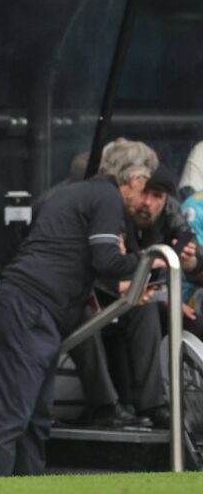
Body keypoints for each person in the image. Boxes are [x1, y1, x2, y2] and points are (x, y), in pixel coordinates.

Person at [0, 138, 158, 477]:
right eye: (145, 187)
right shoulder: (107, 197)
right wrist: (147, 262)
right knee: (14, 421)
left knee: (32, 420)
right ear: (135, 180)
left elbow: (59, 251)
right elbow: (105, 260)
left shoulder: (68, 192)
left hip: (29, 306)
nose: (145, 198)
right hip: (31, 308)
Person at [70, 164, 200, 429]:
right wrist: (126, 284)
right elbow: (91, 264)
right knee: (91, 312)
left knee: (179, 316)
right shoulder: (109, 208)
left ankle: (154, 405)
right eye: (144, 193)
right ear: (130, 187)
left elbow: (193, 257)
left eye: (156, 197)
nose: (147, 203)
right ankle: (106, 406)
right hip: (93, 295)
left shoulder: (170, 212)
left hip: (143, 296)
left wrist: (190, 262)